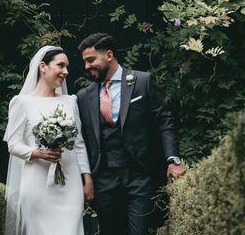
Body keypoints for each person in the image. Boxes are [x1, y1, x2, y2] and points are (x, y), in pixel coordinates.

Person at [76, 33, 186, 235]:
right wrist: (86, 179)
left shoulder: (143, 82)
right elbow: (79, 141)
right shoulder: (84, 97)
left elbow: (165, 121)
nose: (86, 66)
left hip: (141, 177)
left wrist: (173, 159)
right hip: (104, 181)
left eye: (91, 60)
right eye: (85, 61)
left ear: (109, 55)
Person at [4, 46, 94, 235]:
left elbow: (78, 144)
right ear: (43, 66)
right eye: (60, 65)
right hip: (37, 183)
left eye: (67, 67)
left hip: (70, 185)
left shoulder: (70, 101)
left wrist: (87, 178)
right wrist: (38, 153)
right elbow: (13, 144)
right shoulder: (21, 102)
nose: (66, 72)